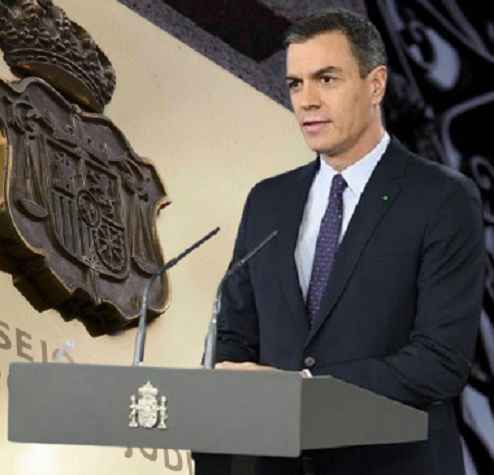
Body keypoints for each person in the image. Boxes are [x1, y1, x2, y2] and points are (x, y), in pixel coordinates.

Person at [194, 9, 484, 475]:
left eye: (326, 79)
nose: (307, 101)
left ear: (376, 84)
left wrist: (304, 388)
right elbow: (234, 335)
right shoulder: (267, 201)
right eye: (295, 84)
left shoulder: (442, 199)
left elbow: (439, 362)